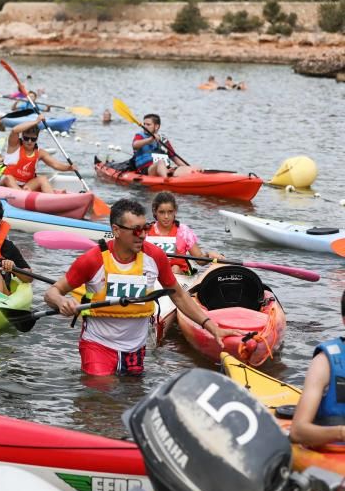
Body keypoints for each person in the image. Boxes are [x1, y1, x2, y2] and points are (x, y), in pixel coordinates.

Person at [43, 198, 238, 376]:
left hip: (135, 349)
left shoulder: (155, 257)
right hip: (97, 345)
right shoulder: (92, 260)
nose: (143, 235)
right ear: (116, 230)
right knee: (100, 399)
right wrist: (62, 302)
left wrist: (212, 327)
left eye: (145, 228)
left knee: (131, 399)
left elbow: (178, 296)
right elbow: (52, 292)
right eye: (136, 230)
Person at [290, 291, 345, 448]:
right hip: (335, 453)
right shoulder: (324, 362)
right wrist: (341, 432)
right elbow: (297, 431)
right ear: (344, 320)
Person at [146, 192, 221, 275]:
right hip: (152, 273)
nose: (166, 216)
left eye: (170, 212)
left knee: (175, 268)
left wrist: (208, 255)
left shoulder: (183, 231)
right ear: (155, 212)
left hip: (179, 274)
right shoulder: (145, 232)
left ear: (175, 211)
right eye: (162, 212)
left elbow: (199, 260)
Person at [0, 115, 76, 193]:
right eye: (26, 138)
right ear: (22, 136)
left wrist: (68, 168)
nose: (29, 141)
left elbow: (55, 165)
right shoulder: (14, 145)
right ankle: (22, 194)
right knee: (9, 178)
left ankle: (53, 198)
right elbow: (14, 130)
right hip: (7, 181)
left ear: (37, 138)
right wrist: (36, 121)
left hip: (25, 185)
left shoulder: (40, 152)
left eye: (33, 139)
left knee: (42, 179)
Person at [130, 114, 195, 178]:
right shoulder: (139, 136)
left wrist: (189, 168)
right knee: (160, 162)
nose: (145, 126)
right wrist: (149, 140)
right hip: (147, 169)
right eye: (144, 124)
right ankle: (166, 180)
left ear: (156, 126)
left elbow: (175, 158)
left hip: (165, 169)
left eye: (148, 124)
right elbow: (135, 145)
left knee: (188, 168)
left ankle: (169, 173)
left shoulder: (164, 140)